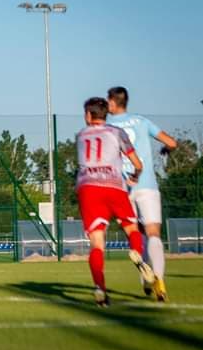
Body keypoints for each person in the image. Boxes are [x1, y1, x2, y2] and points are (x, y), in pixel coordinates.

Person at [75, 97, 155, 307]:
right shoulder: (116, 133)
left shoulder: (81, 135)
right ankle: (137, 253)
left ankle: (100, 290)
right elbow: (137, 163)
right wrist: (135, 175)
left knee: (97, 242)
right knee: (131, 228)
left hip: (88, 188)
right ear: (105, 114)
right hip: (114, 186)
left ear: (89, 115)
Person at [107, 86, 177, 301]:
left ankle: (144, 276)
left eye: (108, 101)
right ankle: (159, 280)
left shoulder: (108, 127)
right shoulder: (141, 121)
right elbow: (171, 142)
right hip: (147, 184)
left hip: (123, 187)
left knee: (136, 235)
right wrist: (167, 150)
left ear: (113, 102)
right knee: (153, 232)